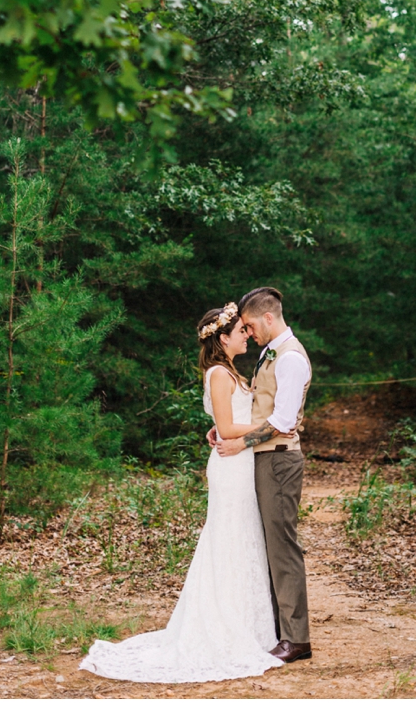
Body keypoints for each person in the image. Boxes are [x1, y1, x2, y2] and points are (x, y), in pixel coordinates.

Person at [79, 302, 285, 684]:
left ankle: (249, 625)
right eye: (240, 330)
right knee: (228, 538)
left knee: (241, 538)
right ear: (223, 339)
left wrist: (248, 423)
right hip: (231, 464)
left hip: (239, 462)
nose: (246, 334)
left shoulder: (228, 371)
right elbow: (225, 428)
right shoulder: (220, 375)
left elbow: (225, 424)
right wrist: (268, 426)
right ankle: (223, 628)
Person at [212, 286, 313, 664]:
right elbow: (260, 408)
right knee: (268, 544)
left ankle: (297, 639)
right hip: (264, 458)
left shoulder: (290, 359)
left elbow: (282, 421)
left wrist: (240, 443)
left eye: (252, 326)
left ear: (268, 318)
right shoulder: (271, 354)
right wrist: (227, 431)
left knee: (283, 547)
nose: (249, 333)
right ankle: (278, 629)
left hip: (280, 461)